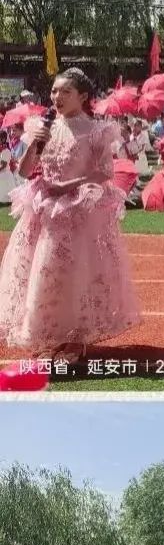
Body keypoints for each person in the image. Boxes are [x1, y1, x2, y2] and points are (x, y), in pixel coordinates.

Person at [0, 68, 130, 368]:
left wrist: (66, 186)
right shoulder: (39, 126)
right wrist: (35, 143)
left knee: (76, 274)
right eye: (55, 91)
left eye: (65, 92)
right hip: (44, 209)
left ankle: (75, 338)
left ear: (82, 97)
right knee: (44, 272)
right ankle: (48, 336)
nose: (57, 97)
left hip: (78, 210)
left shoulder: (96, 131)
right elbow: (22, 170)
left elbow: (104, 173)